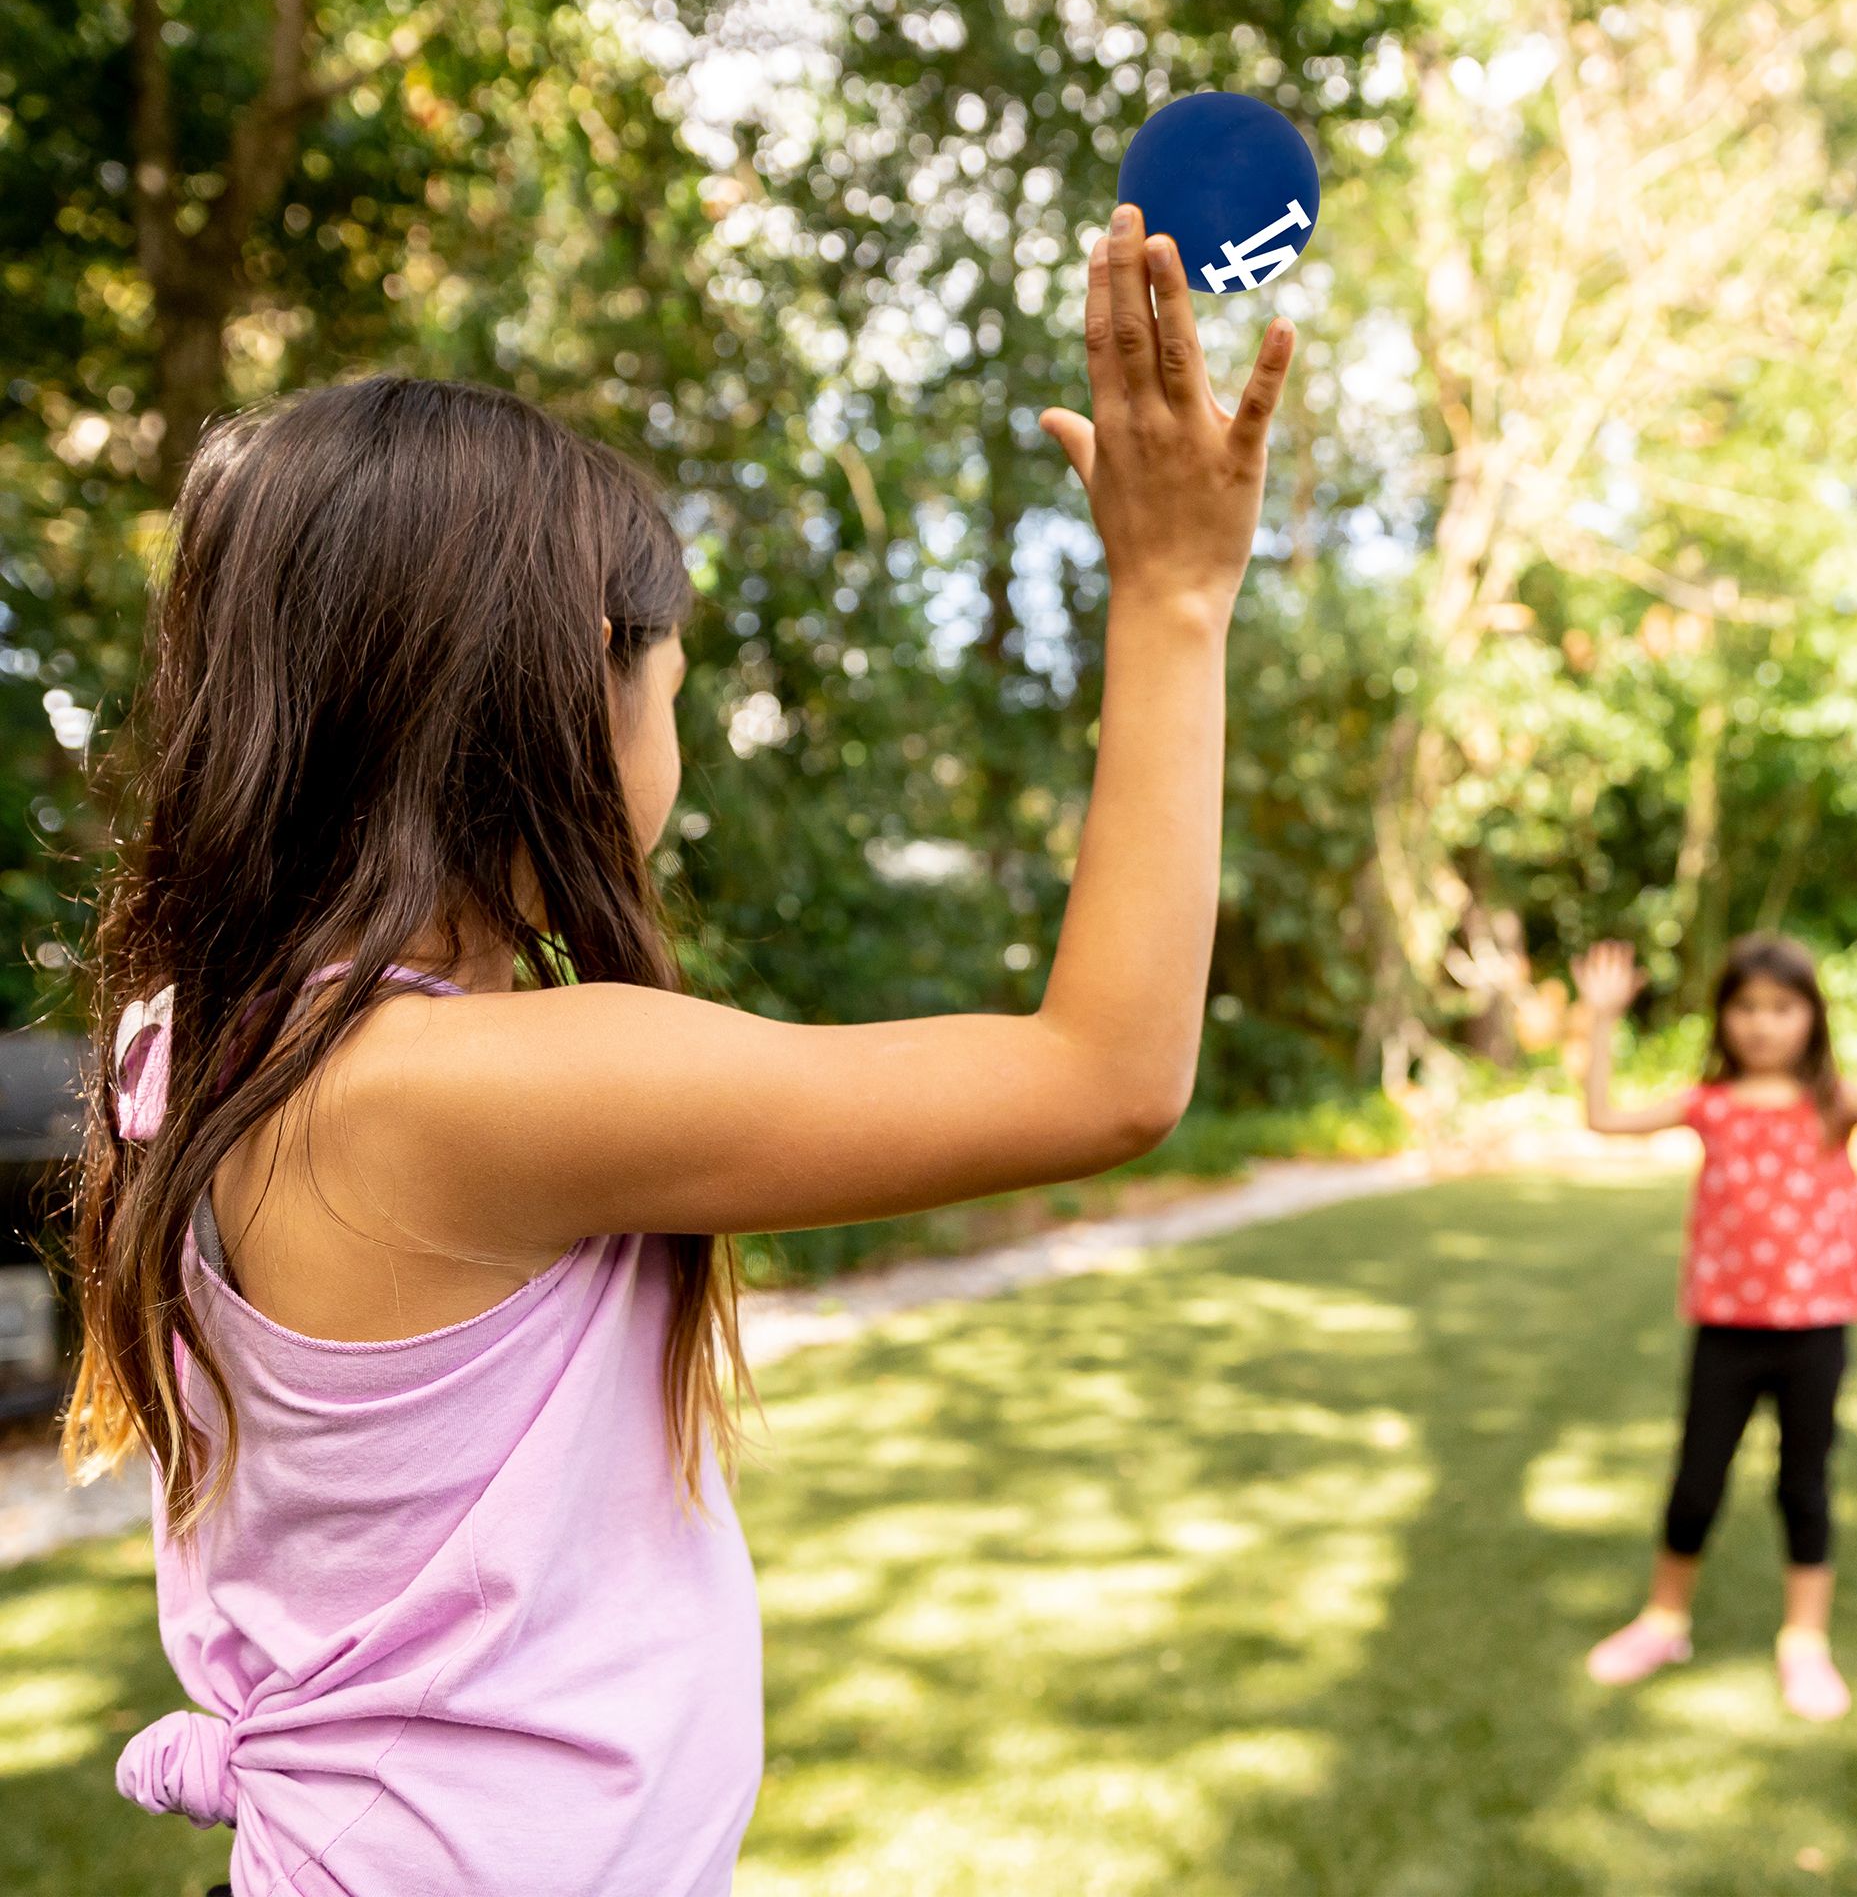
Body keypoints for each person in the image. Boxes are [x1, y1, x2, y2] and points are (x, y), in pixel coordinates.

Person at [62, 202, 1296, 1896]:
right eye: (676, 690)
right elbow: (1109, 1073)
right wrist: (1172, 600)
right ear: (577, 688)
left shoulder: (220, 1048)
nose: (680, 743)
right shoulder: (462, 1094)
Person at [1571, 931, 1857, 1721]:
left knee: (1803, 1485)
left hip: (1815, 1332)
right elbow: (1603, 1117)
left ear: (1811, 1016)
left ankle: (1805, 1643)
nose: (1763, 1024)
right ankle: (1663, 1619)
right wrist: (1600, 1020)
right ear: (1723, 1018)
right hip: (1727, 1330)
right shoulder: (1708, 1105)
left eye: (1782, 1007)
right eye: (1746, 1007)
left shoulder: (1832, 1101)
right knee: (1694, 1483)